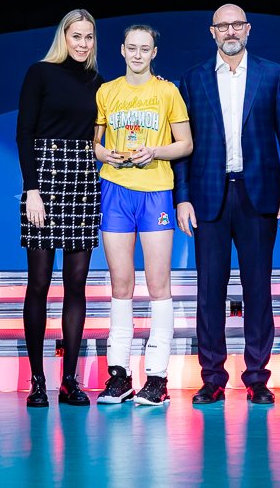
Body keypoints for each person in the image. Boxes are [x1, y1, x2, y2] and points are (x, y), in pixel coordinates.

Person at [174, 5, 280, 406]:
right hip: (208, 197)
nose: (230, 31)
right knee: (209, 291)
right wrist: (182, 197)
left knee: (258, 289)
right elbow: (183, 146)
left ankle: (257, 378)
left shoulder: (271, 74)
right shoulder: (193, 78)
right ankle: (212, 377)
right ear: (212, 32)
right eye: (223, 26)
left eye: (236, 25)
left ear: (248, 29)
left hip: (259, 194)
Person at [93, 26, 192, 406]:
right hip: (115, 191)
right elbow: (94, 143)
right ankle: (118, 376)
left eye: (144, 49)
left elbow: (186, 144)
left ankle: (157, 377)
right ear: (122, 50)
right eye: (131, 48)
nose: (137, 54)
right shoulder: (106, 92)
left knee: (157, 284)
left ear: (154, 53)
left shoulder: (168, 92)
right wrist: (104, 154)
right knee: (120, 284)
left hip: (156, 193)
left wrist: (155, 152)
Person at [16, 9, 103, 407]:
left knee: (76, 284)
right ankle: (37, 381)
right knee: (39, 283)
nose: (82, 43)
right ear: (63, 37)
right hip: (45, 179)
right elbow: (24, 134)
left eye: (88, 37)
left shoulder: (98, 82)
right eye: (76, 36)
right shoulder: (40, 73)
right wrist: (31, 189)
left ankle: (69, 380)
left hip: (83, 179)